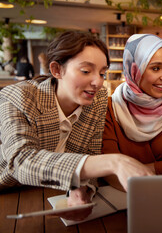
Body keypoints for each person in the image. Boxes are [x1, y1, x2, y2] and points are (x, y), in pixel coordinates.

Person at [0, 31, 153, 220]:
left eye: (102, 72)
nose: (98, 82)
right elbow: (21, 161)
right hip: (8, 191)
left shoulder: (97, 101)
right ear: (57, 70)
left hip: (51, 192)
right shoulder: (17, 96)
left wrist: (80, 190)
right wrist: (115, 162)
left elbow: (90, 154)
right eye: (86, 71)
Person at [102, 34, 162, 190]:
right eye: (156, 68)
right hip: (124, 199)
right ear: (134, 70)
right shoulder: (110, 107)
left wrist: (133, 172)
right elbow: (109, 170)